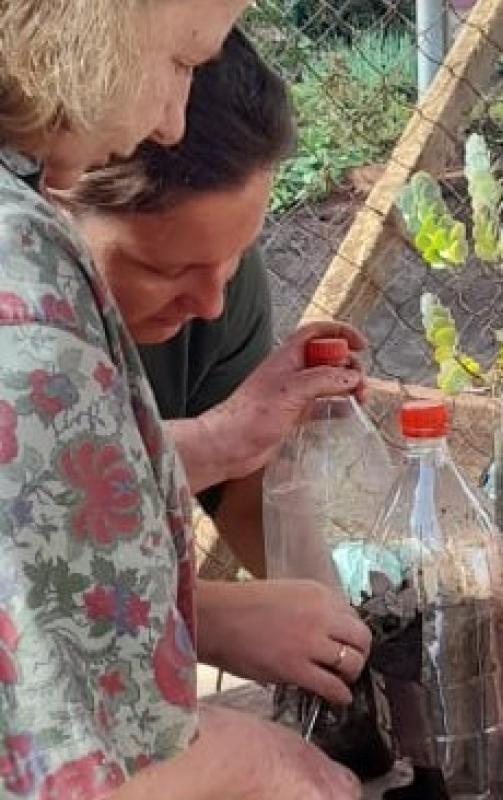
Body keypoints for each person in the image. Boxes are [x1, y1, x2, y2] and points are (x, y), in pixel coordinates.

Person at [0, 2, 360, 797]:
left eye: (233, 261)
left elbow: (239, 507)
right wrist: (212, 629)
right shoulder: (25, 277)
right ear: (61, 189)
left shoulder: (217, 290)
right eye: (180, 61)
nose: (209, 301)